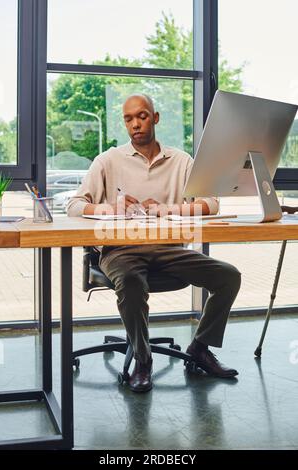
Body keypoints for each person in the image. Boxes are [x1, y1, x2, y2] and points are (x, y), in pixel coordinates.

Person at [67, 94, 241, 393]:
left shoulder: (181, 161)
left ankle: (200, 348)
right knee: (132, 280)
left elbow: (211, 204)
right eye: (128, 119)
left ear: (156, 117)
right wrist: (111, 210)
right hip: (121, 250)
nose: (135, 124)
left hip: (168, 249)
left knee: (228, 276)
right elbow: (73, 205)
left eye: (142, 116)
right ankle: (143, 360)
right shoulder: (108, 160)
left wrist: (167, 209)